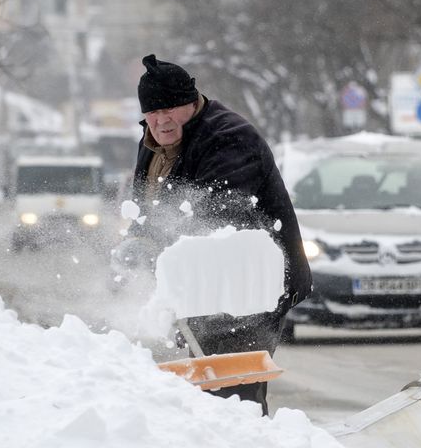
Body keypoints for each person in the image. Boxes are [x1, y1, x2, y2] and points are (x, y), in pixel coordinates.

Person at [127, 54, 312, 415]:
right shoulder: (153, 142)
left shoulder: (228, 138)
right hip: (200, 289)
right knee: (208, 393)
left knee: (234, 398)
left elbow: (219, 219)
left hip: (246, 289)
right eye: (153, 111)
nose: (162, 119)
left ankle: (250, 445)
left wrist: (161, 251)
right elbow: (147, 207)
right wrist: (136, 242)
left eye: (171, 108)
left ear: (191, 102)